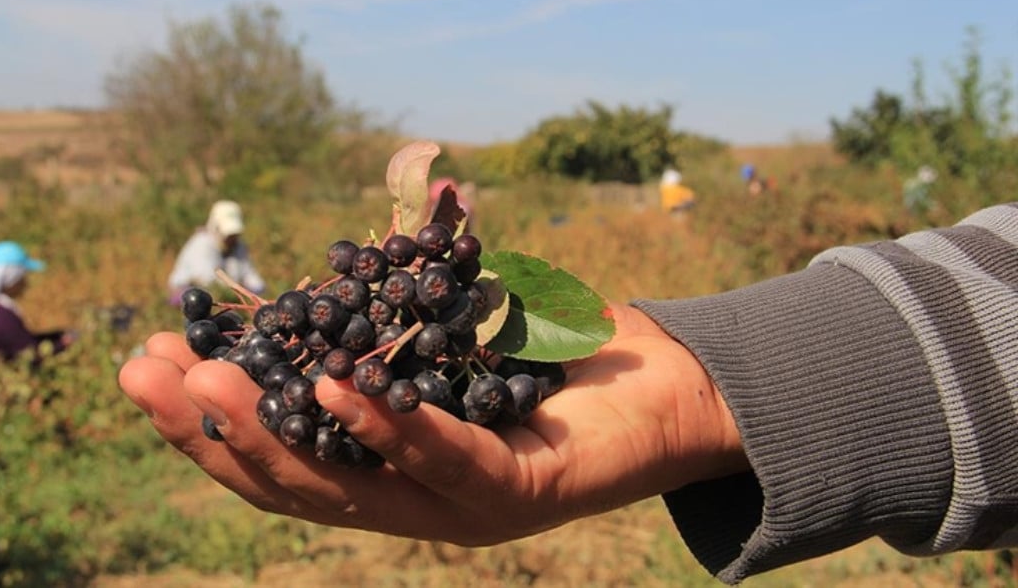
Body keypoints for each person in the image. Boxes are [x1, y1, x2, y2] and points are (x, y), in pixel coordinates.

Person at [118, 202, 1017, 584]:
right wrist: (722, 375)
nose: (396, 291)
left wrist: (715, 380)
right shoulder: (355, 308)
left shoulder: (434, 313)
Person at [167, 200, 266, 305]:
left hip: (224, 299)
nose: (232, 238)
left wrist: (257, 292)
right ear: (215, 228)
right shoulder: (202, 244)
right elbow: (208, 280)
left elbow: (250, 275)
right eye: (228, 235)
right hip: (189, 300)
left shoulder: (238, 246)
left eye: (235, 235)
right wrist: (240, 291)